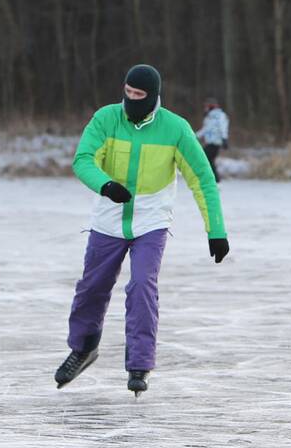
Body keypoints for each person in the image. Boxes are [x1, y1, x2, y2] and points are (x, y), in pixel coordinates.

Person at [55, 64, 230, 396]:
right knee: (92, 287)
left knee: (141, 286)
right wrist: (105, 185)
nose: (131, 100)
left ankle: (139, 364)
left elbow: (203, 180)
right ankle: (84, 348)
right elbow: (83, 159)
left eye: (139, 95)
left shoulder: (175, 129)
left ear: (153, 96)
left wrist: (216, 231)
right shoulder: (106, 119)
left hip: (151, 222)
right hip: (108, 219)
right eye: (128, 92)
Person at [195, 97, 229, 182]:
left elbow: (223, 127)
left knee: (205, 159)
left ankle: (214, 179)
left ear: (211, 106)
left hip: (216, 142)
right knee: (208, 160)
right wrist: (193, 136)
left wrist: (224, 139)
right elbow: (205, 130)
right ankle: (214, 179)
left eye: (207, 106)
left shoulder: (220, 115)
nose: (205, 108)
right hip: (209, 142)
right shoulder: (209, 117)